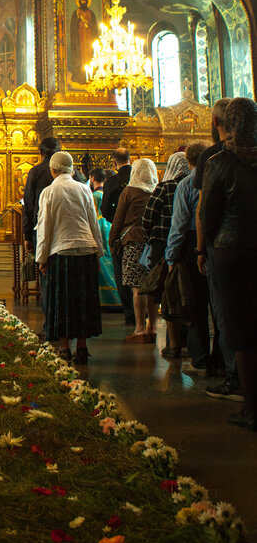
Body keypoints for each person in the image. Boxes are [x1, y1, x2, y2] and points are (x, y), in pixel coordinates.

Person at [199, 98, 257, 431]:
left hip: (231, 252)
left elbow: (209, 216)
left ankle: (251, 408)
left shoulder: (220, 162)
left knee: (240, 329)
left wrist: (203, 249)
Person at [194, 98, 242, 403]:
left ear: (215, 122)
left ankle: (235, 378)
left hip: (223, 247)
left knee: (225, 315)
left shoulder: (214, 158)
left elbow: (204, 210)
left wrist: (201, 249)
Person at [35, 151, 103, 364]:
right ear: (72, 169)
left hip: (61, 252)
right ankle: (82, 347)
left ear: (53, 170)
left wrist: (41, 257)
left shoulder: (49, 191)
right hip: (86, 250)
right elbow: (94, 222)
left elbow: (44, 228)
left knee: (62, 301)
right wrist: (99, 253)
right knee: (82, 300)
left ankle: (64, 347)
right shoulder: (84, 189)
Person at [165, 142, 214, 374]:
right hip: (215, 244)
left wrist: (171, 256)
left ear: (189, 161)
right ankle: (223, 361)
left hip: (191, 246)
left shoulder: (186, 184)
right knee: (219, 307)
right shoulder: (215, 177)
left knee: (195, 305)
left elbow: (180, 223)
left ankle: (200, 359)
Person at [141, 151, 191, 357]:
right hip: (189, 245)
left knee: (167, 293)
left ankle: (174, 343)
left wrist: (152, 234)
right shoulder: (193, 184)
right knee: (187, 292)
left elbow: (148, 217)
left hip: (163, 245)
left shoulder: (165, 187)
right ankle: (188, 342)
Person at [109, 158, 159, 344]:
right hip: (153, 244)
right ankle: (152, 328)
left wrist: (112, 241)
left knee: (137, 289)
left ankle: (139, 329)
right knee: (152, 288)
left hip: (133, 242)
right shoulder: (156, 191)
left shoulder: (129, 191)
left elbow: (118, 219)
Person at [101, 147, 134, 324]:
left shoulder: (113, 181)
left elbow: (105, 209)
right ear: (130, 159)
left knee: (122, 274)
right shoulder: (141, 178)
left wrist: (114, 219)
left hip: (121, 231)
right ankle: (144, 312)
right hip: (142, 232)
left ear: (114, 162)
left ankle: (130, 314)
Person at [90, 167, 120, 309]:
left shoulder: (94, 196)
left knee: (101, 259)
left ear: (93, 178)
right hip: (108, 226)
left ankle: (107, 299)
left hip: (98, 227)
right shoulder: (105, 194)